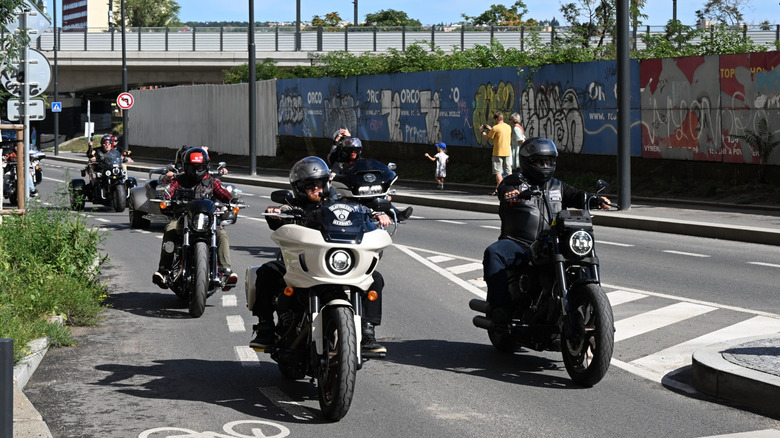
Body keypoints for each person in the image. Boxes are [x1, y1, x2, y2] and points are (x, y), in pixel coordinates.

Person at [249, 156, 390, 355]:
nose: (316, 189)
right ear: (299, 188)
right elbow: (279, 214)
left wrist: (376, 215)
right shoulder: (292, 206)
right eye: (310, 186)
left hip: (333, 263)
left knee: (374, 278)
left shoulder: (339, 204)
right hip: (299, 266)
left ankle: (367, 331)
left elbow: (360, 212)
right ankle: (265, 327)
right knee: (266, 272)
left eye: (320, 184)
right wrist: (274, 213)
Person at [482, 137, 611, 324]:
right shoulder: (515, 182)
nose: (544, 165)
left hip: (551, 243)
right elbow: (505, 189)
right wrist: (511, 194)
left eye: (548, 161)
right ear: (527, 162)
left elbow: (576, 195)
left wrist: (594, 199)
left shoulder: (557, 186)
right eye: (539, 161)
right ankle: (501, 307)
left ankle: (589, 308)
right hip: (519, 243)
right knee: (494, 253)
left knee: (580, 256)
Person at [152, 147, 238, 290]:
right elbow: (169, 192)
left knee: (221, 234)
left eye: (200, 167)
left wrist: (232, 200)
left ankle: (225, 271)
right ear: (186, 167)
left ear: (206, 167)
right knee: (170, 229)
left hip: (207, 221)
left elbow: (225, 194)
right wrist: (165, 197)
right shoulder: (178, 180)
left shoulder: (212, 182)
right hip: (183, 218)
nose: (197, 171)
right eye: (193, 167)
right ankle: (164, 270)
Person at [481, 112, 512, 195]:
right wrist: (490, 129)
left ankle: (501, 189)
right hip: (507, 152)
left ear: (496, 119)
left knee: (498, 172)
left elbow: (488, 138)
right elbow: (499, 133)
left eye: (494, 120)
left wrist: (483, 131)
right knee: (508, 172)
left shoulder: (495, 128)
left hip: (498, 153)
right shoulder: (508, 127)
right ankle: (511, 188)